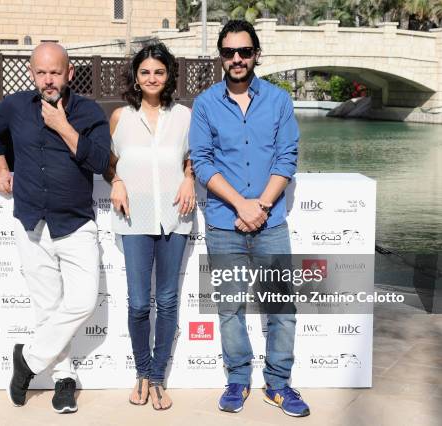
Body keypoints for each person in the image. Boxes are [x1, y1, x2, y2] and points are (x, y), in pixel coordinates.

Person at [189, 20, 310, 417]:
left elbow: (286, 158)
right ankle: (237, 380)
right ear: (221, 57)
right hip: (224, 225)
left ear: (256, 53)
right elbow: (203, 163)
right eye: (228, 52)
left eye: (243, 51)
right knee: (229, 308)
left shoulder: (278, 100)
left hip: (270, 224)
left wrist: (259, 206)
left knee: (281, 307)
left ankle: (279, 385)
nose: (236, 59)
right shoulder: (206, 104)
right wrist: (241, 204)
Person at [0, 42, 111, 414]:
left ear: (69, 73)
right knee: (48, 307)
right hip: (31, 222)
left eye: (55, 72)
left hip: (75, 223)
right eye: (41, 72)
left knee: (82, 301)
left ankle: (28, 360)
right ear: (32, 73)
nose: (48, 79)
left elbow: (102, 161)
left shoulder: (88, 111)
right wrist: (1, 169)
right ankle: (63, 381)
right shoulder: (16, 106)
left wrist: (63, 127)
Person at [103, 43, 195, 410]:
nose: (152, 78)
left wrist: (190, 177)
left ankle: (158, 378)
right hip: (134, 220)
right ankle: (141, 372)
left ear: (169, 75)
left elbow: (195, 158)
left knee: (168, 300)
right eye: (145, 72)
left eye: (159, 71)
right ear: (136, 77)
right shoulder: (120, 117)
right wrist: (116, 180)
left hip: (175, 216)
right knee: (140, 303)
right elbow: (110, 163)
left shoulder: (186, 117)